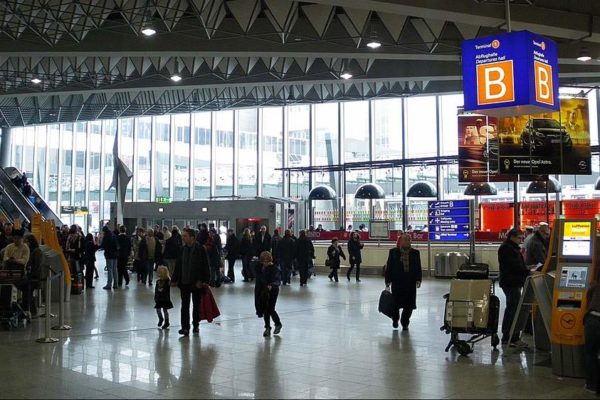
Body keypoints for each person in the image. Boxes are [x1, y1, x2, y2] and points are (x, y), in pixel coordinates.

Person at [171, 228, 210, 336]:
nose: (183, 238)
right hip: (184, 282)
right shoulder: (182, 249)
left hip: (196, 282)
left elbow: (205, 265)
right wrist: (174, 279)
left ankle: (196, 325)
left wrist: (204, 281)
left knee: (196, 305)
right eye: (183, 236)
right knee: (184, 306)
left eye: (185, 236)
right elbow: (178, 266)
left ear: (192, 237)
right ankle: (185, 328)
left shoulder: (200, 249)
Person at [498, 228, 530, 348]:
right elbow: (514, 266)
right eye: (519, 237)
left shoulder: (511, 248)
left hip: (512, 282)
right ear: (512, 237)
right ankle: (510, 337)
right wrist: (528, 271)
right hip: (511, 283)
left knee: (513, 308)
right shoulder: (507, 249)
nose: (520, 240)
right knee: (513, 309)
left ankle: (511, 336)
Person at [385, 234, 422, 330]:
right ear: (400, 241)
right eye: (405, 240)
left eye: (409, 240)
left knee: (409, 304)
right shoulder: (393, 252)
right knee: (396, 303)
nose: (407, 241)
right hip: (397, 282)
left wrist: (418, 279)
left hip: (410, 282)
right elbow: (389, 267)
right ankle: (395, 319)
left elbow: (418, 267)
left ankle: (405, 322)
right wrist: (387, 281)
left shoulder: (415, 253)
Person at [258, 251, 282, 337]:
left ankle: (277, 324)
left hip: (273, 290)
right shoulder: (263, 268)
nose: (265, 263)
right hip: (265, 290)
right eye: (263, 262)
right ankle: (268, 327)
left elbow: (278, 281)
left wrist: (271, 285)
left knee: (270, 308)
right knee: (265, 309)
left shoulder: (275, 269)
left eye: (266, 261)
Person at [18, 234, 42, 318]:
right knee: (29, 294)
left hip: (34, 277)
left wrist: (31, 275)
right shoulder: (29, 250)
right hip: (29, 276)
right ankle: (31, 311)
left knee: (30, 293)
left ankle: (32, 311)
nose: (24, 243)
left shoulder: (36, 251)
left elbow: (37, 266)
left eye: (26, 241)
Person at [584, 278, 600, 393]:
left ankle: (591, 385)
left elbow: (588, 296)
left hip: (592, 319)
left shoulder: (595, 284)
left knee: (590, 353)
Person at [99, 225, 119, 290]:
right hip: (115, 255)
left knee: (109, 270)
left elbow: (103, 245)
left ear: (104, 231)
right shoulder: (114, 235)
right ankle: (116, 284)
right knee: (115, 269)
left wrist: (98, 246)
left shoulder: (106, 237)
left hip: (109, 255)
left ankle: (109, 284)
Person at [155, 266, 173, 330]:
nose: (159, 274)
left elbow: (169, 286)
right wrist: (155, 297)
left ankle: (167, 322)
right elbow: (156, 290)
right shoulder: (158, 281)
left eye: (160, 273)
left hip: (165, 299)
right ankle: (160, 318)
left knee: (165, 310)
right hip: (159, 298)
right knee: (158, 310)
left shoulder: (168, 281)